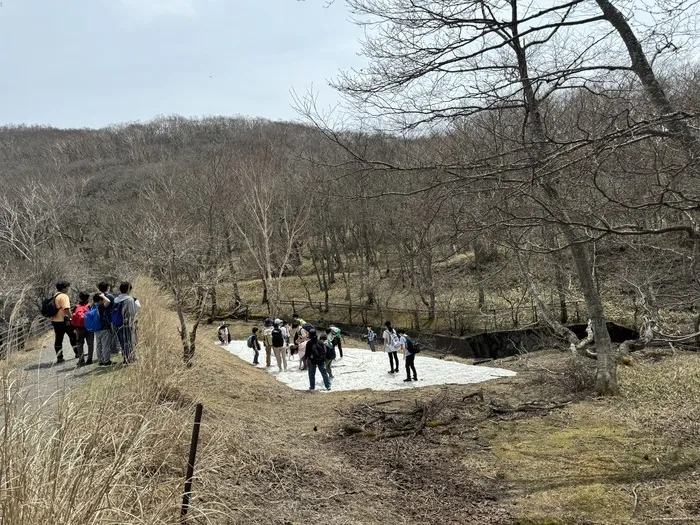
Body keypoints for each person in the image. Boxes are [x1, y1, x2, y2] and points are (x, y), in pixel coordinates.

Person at [50, 281, 78, 364]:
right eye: (67, 287)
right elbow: (66, 309)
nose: (68, 289)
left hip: (55, 321)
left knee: (58, 339)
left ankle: (60, 357)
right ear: (63, 288)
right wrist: (72, 318)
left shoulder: (55, 296)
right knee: (73, 336)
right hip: (64, 321)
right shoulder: (63, 296)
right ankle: (78, 353)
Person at [114, 281, 141, 364]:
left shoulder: (116, 299)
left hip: (117, 323)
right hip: (127, 323)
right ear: (128, 289)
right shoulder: (129, 299)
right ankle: (130, 358)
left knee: (122, 341)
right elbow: (132, 312)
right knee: (129, 341)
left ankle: (125, 358)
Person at [72, 291, 94, 366]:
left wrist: (75, 327)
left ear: (80, 297)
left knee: (79, 344)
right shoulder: (90, 305)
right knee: (90, 343)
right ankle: (90, 359)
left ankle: (81, 360)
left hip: (79, 328)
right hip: (89, 327)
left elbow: (73, 318)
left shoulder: (76, 306)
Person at [97, 282, 119, 356]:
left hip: (103, 319)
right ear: (107, 287)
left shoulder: (99, 296)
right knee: (113, 334)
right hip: (111, 318)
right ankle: (114, 350)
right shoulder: (110, 296)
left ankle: (109, 350)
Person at [93, 292, 113, 366]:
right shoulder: (100, 306)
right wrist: (103, 296)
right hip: (104, 328)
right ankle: (106, 361)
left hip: (96, 329)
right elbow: (108, 301)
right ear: (100, 300)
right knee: (105, 345)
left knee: (99, 345)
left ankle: (100, 361)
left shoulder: (92, 306)